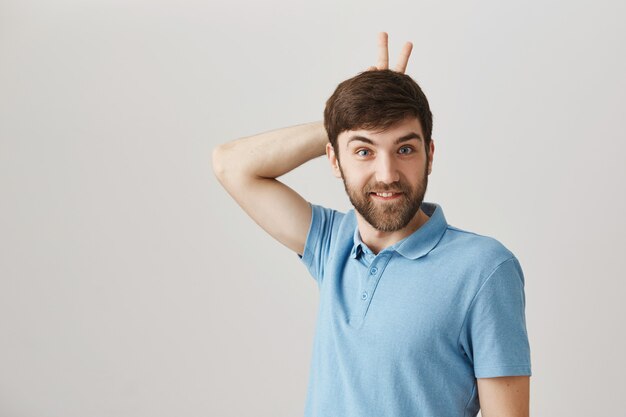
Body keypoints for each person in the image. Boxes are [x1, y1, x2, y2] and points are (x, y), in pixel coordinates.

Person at [212, 32, 531, 417]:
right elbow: (231, 165)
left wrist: (354, 127)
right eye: (364, 150)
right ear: (334, 160)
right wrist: (347, 116)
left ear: (429, 155)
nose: (387, 173)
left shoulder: (484, 269)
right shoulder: (332, 245)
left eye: (405, 149)